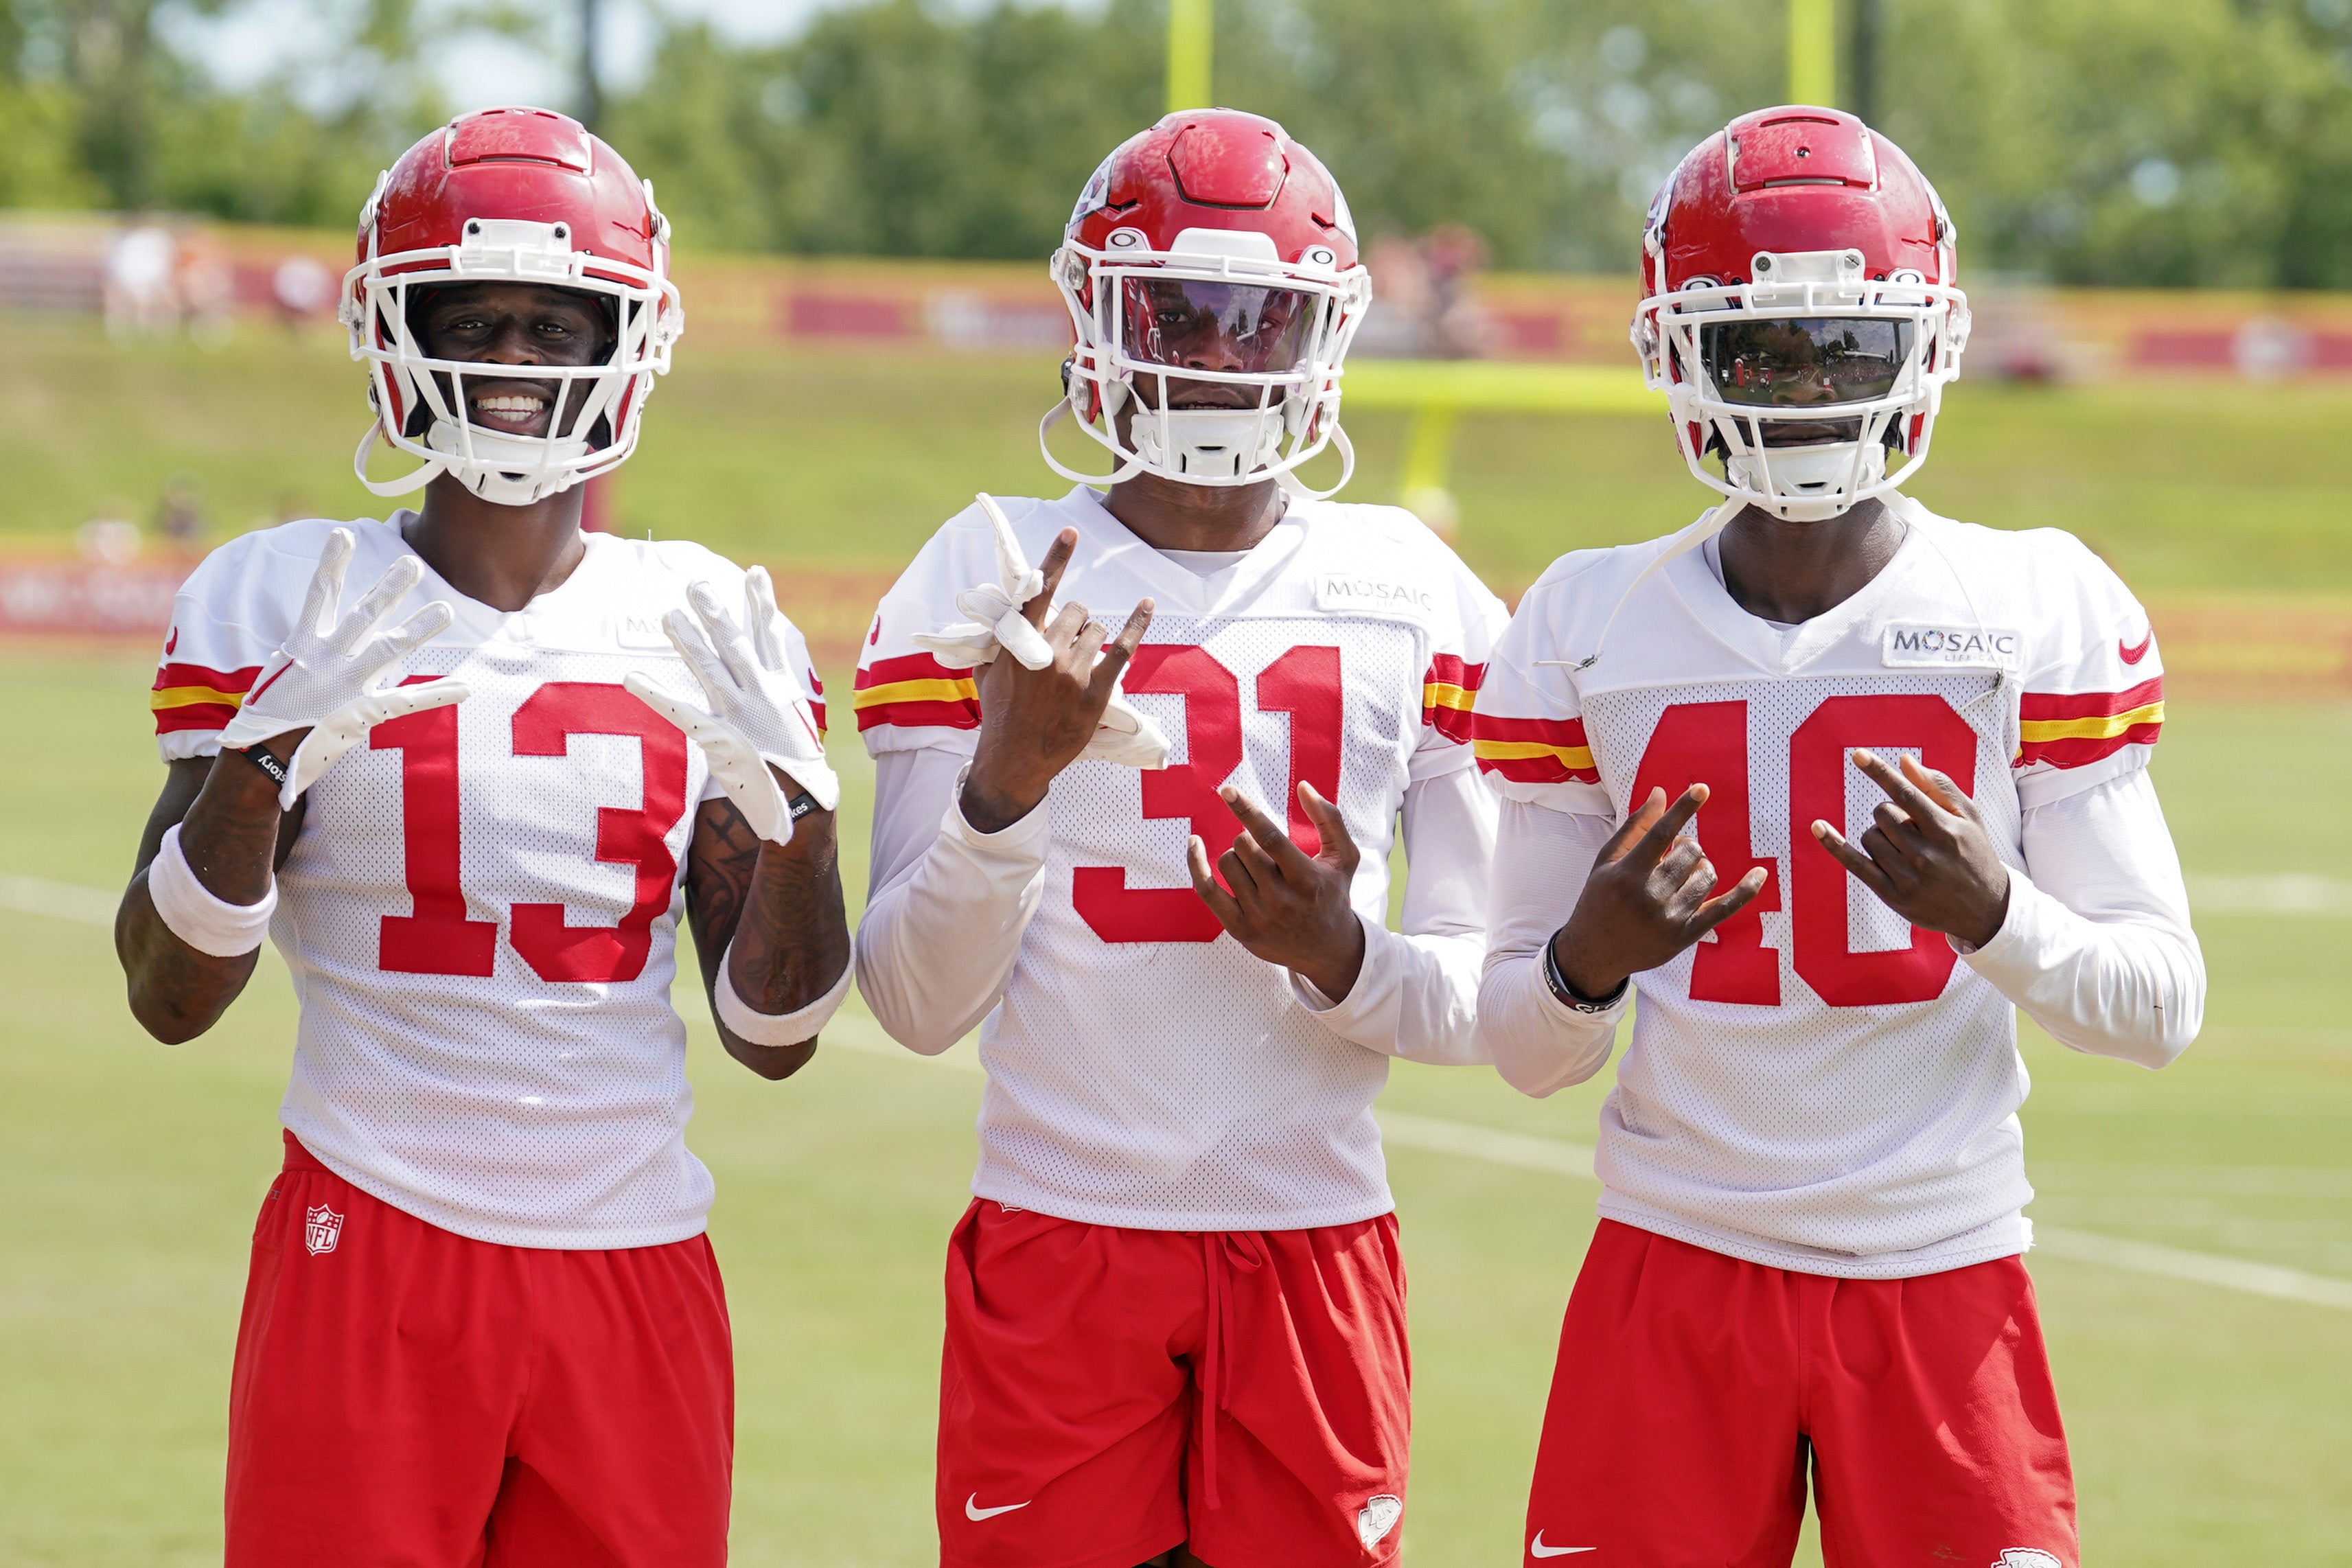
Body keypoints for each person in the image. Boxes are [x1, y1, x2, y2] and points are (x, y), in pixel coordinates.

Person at [114, 106, 850, 1567]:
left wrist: (804, 822)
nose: (511, 363)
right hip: (369, 1235)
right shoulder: (289, 600)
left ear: (624, 343)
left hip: (632, 1256)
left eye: (553, 324)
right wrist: (259, 761)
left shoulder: (701, 617)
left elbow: (775, 1030)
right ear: (397, 332)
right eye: (475, 318)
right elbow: (167, 993)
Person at [1471, 106, 2206, 1568]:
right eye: (1761, 350)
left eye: (1846, 348)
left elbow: (2160, 1008)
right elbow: (1524, 1047)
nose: (1806, 390)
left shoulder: (2036, 605)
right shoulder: (1587, 621)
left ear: (1922, 346)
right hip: (1676, 1261)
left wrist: (2000, 914)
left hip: (1940, 1269)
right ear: (1683, 353)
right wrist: (1584, 966)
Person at [852, 108, 1506, 1568]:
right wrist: (1002, 794)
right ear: (1097, 318)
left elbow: (1495, 1006)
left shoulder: (1413, 586)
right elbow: (910, 1000)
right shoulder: (988, 568)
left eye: (1254, 319)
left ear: (1323, 336)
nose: (1214, 355)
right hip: (1060, 1225)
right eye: (1179, 315)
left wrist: (1342, 954)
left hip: (1315, 1237)